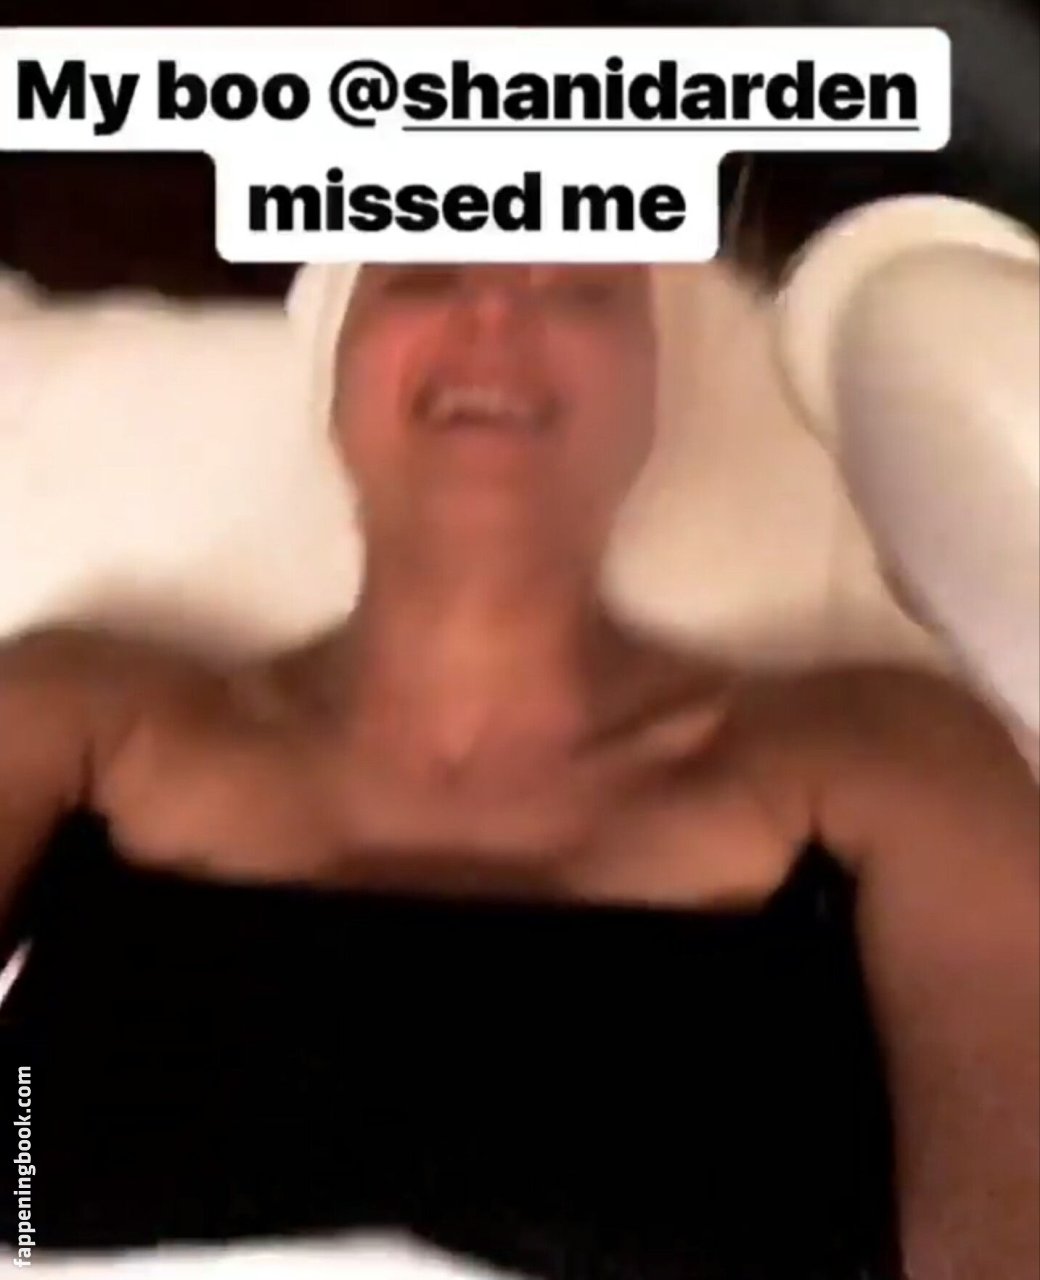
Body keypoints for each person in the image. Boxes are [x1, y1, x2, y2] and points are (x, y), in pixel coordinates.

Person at [1, 263, 1037, 1280]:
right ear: (337, 367)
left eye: (580, 288)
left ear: (649, 392)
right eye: (425, 272)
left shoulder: (888, 759)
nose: (494, 312)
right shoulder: (78, 714)